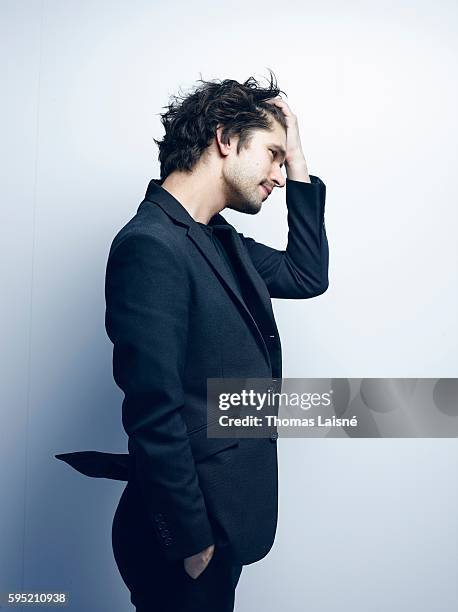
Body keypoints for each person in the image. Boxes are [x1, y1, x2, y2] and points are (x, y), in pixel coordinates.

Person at [55, 71, 329, 611]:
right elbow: (153, 409)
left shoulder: (217, 239)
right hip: (181, 537)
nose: (277, 174)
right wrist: (191, 542)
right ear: (225, 139)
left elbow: (306, 275)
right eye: (273, 155)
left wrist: (300, 164)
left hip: (221, 523)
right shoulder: (151, 245)